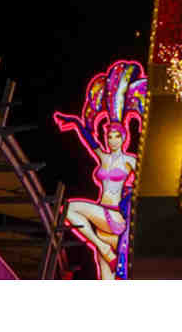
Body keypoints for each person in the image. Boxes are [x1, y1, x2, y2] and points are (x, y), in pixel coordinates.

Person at [54, 61, 146, 280]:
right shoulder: (103, 158)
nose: (111, 140)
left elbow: (145, 179)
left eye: (116, 136)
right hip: (101, 224)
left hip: (113, 216)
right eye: (109, 136)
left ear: (123, 137)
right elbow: (88, 137)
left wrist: (132, 197)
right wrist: (74, 122)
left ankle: (102, 247)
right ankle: (102, 248)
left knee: (68, 208)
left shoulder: (130, 161)